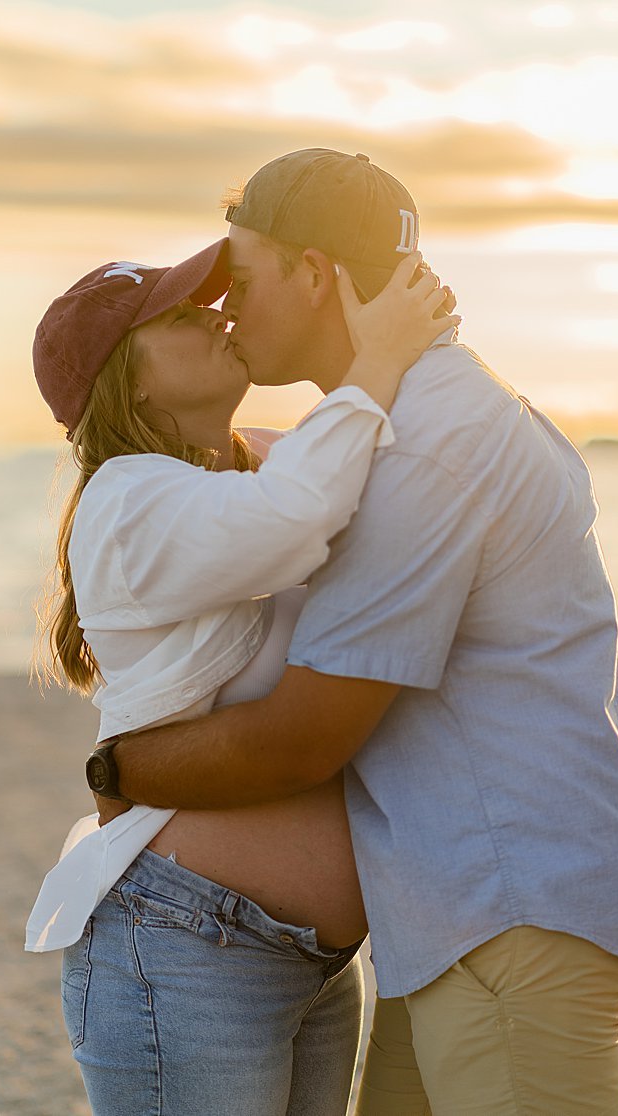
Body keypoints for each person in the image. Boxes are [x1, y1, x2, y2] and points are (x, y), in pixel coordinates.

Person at [87, 148, 618, 1113]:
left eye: (243, 279)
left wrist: (116, 771)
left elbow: (306, 736)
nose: (228, 310)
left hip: (505, 907)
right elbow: (269, 494)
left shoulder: (427, 443)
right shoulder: (423, 414)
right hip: (460, 914)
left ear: (312, 275)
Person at [25, 239, 453, 1113]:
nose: (219, 315)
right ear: (127, 382)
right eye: (183, 316)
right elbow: (298, 515)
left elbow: (358, 478)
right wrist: (378, 357)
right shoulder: (125, 497)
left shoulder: (257, 464)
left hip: (309, 962)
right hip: (186, 946)